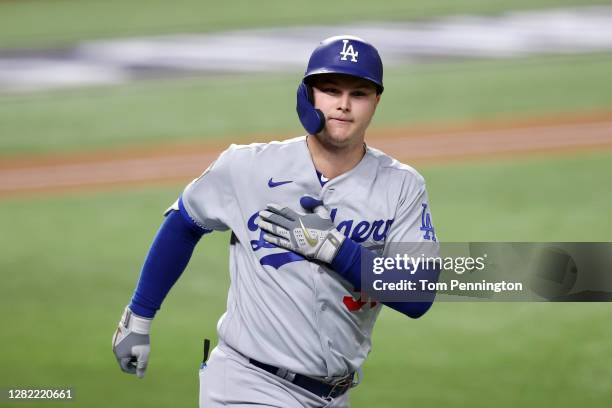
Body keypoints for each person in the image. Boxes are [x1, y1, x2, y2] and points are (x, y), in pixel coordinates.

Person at [112, 35, 440, 407]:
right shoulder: (246, 167)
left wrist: (336, 249)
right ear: (308, 95)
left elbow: (418, 294)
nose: (344, 105)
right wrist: (138, 317)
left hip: (335, 395)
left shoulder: (401, 185)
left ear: (376, 101)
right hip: (246, 384)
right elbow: (184, 223)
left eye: (359, 93)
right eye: (331, 90)